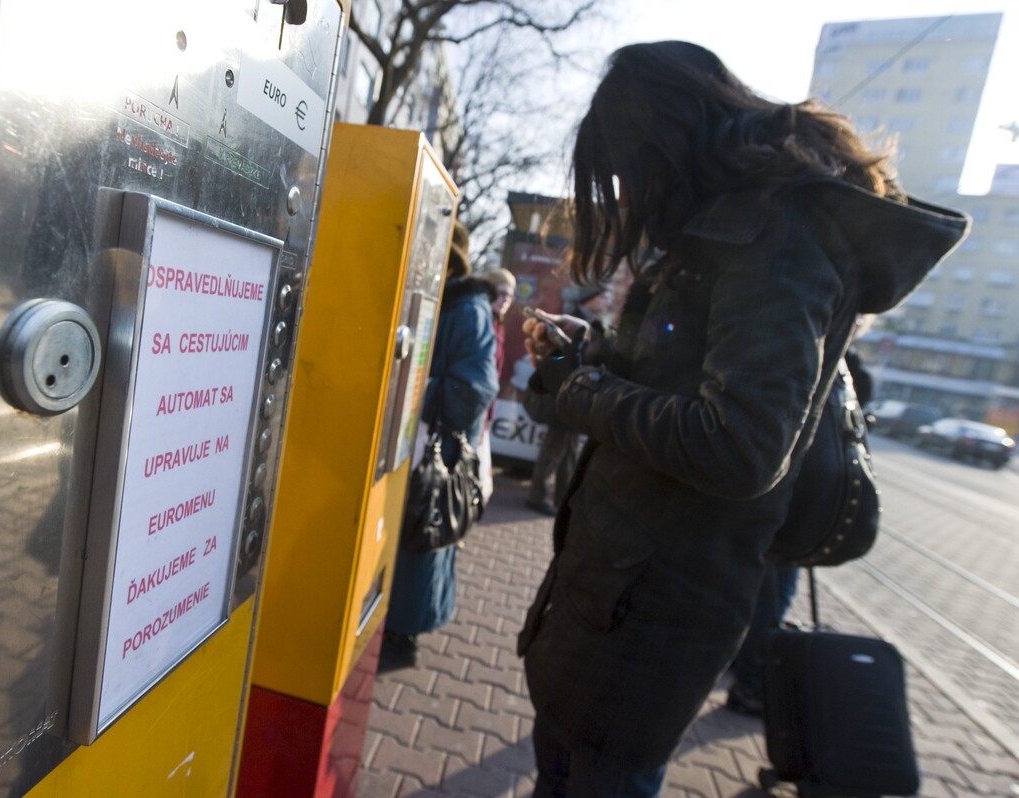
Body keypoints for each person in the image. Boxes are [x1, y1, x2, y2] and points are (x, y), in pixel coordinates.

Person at [516, 41, 967, 795]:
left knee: (599, 775)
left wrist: (579, 391)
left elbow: (740, 445)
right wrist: (588, 351)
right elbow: (671, 366)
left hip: (653, 611)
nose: (631, 192)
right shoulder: (729, 226)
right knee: (567, 765)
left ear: (670, 144)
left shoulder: (776, 236)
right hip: (617, 593)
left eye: (631, 170)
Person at [726, 343, 877, 717]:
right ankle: (751, 681)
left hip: (787, 493)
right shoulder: (828, 349)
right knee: (772, 593)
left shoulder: (821, 345)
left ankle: (743, 668)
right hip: (790, 498)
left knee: (765, 589)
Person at [380, 220, 499, 670]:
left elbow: (472, 391)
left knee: (420, 541)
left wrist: (410, 386)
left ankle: (404, 635)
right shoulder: (455, 304)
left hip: (435, 453)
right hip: (424, 443)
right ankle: (401, 625)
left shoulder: (467, 309)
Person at [525, 284, 610, 516]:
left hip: (574, 398)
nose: (607, 301)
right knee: (554, 449)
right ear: (590, 298)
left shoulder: (589, 323)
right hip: (564, 397)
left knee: (569, 451)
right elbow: (562, 356)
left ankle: (563, 497)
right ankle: (537, 495)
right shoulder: (580, 321)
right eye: (603, 296)